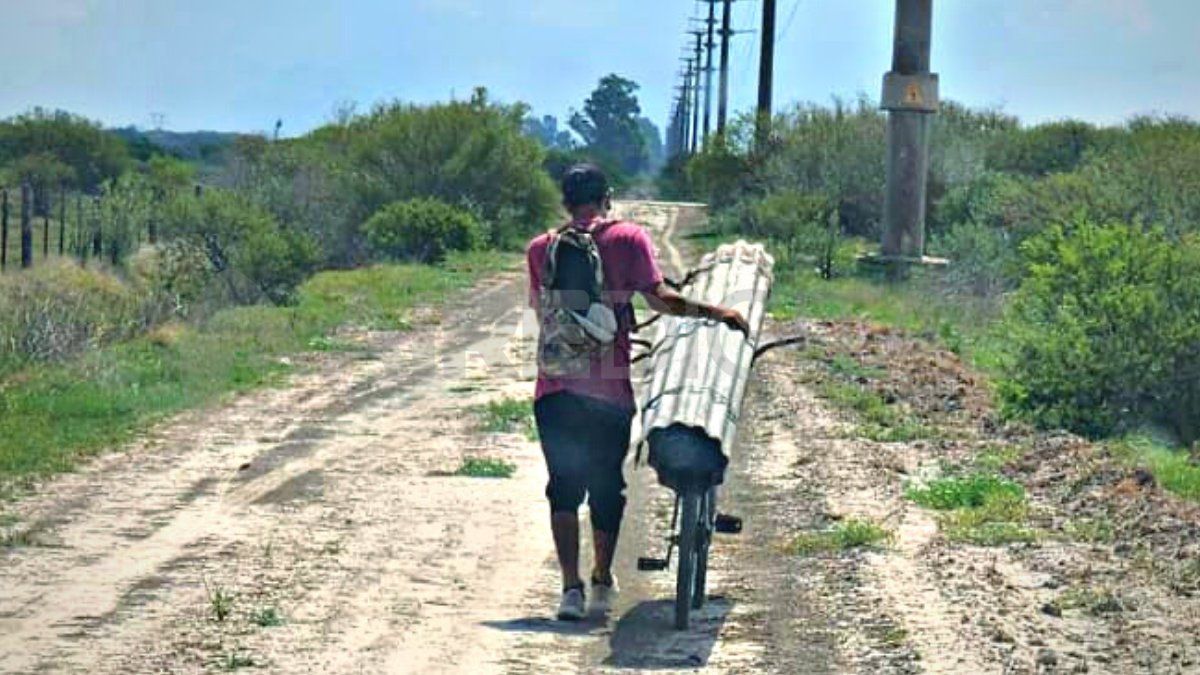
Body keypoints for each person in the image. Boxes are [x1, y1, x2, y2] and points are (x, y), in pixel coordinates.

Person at [526, 164, 749, 621]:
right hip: (607, 392)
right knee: (608, 487)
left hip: (554, 390)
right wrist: (717, 312)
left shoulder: (540, 248)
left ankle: (569, 589)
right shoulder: (628, 239)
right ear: (607, 198)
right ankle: (602, 578)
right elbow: (660, 298)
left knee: (563, 488)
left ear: (566, 202)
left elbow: (545, 310)